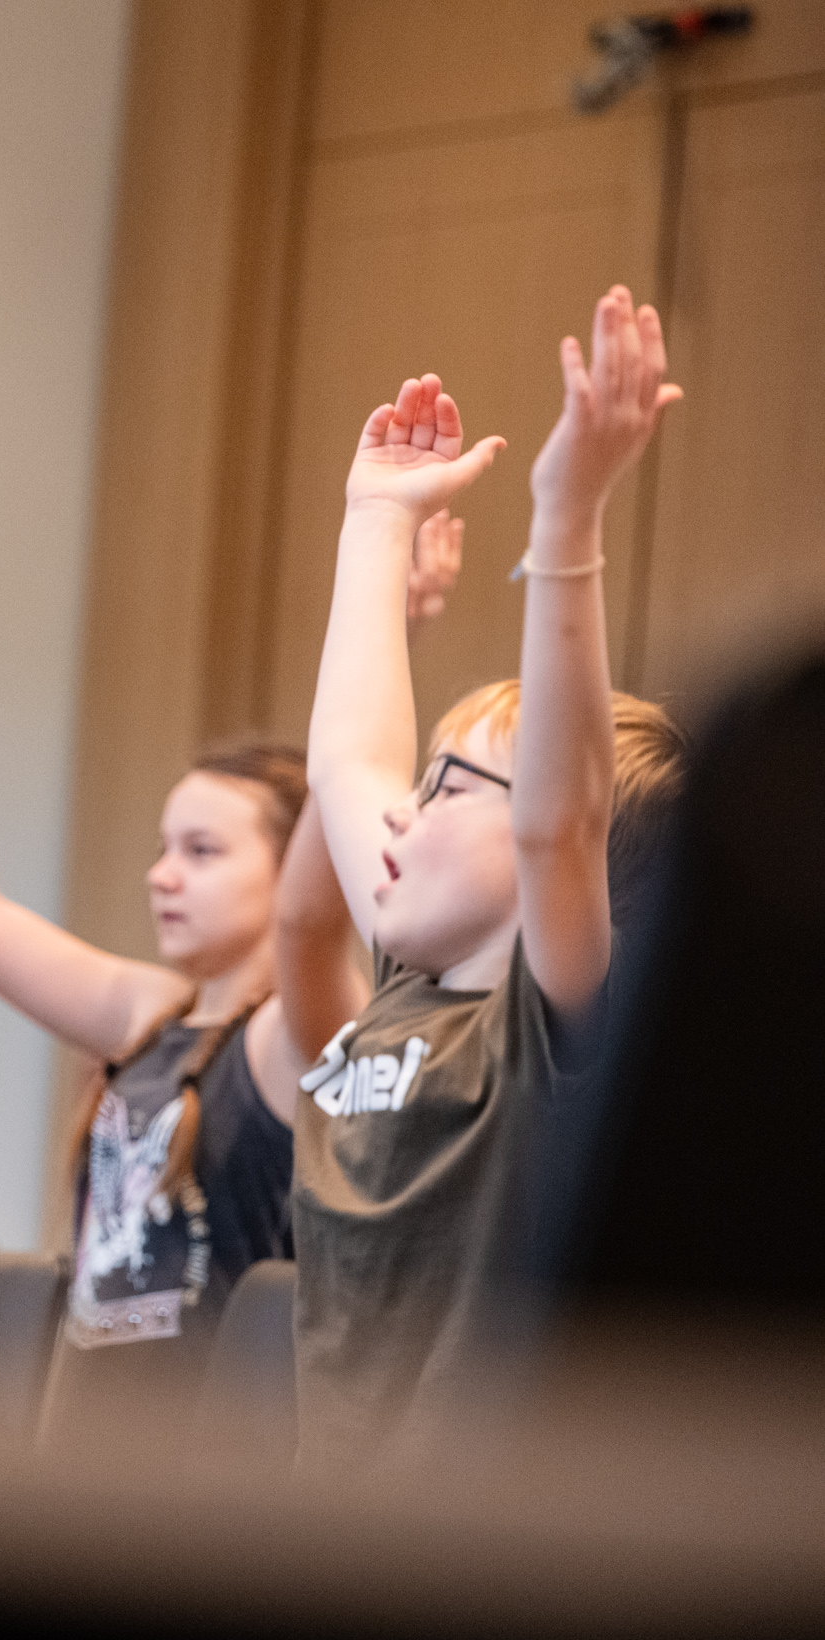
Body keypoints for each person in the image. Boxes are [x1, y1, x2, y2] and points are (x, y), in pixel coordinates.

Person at [0, 520, 443, 1437]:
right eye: (162, 847)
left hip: (215, 1465)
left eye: (202, 851)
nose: (162, 875)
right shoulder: (151, 1012)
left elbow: (314, 908)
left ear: (292, 867)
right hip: (85, 1446)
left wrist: (389, 638)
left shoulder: (298, 1034)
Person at [290, 286, 689, 1466]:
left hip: (474, 1529)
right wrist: (374, 518)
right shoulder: (404, 976)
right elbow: (344, 755)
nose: (403, 807)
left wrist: (565, 522)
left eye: (452, 785)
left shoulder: (545, 1028)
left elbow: (556, 822)